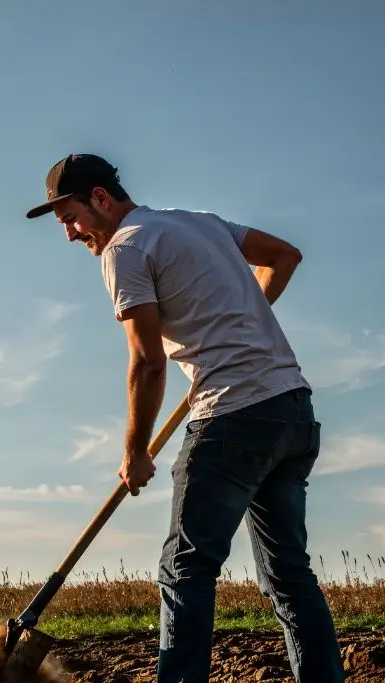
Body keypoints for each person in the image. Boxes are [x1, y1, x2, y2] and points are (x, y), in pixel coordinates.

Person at [24, 154, 345, 683]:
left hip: (232, 416)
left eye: (70, 217)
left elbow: (148, 363)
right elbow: (285, 256)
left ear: (100, 198)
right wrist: (243, 317)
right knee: (289, 574)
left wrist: (134, 451)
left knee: (187, 570)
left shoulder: (125, 248)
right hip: (291, 411)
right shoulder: (199, 222)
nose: (69, 234)